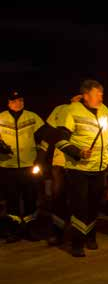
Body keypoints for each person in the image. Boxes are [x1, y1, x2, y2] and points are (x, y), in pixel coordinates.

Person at [51, 80, 108, 257]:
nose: (101, 97)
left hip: (99, 167)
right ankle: (76, 243)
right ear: (86, 96)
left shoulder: (104, 110)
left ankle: (90, 237)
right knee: (80, 205)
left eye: (102, 93)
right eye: (97, 93)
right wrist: (78, 152)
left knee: (94, 204)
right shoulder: (72, 111)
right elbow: (60, 140)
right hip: (78, 168)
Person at [0, 90, 46, 242]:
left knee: (30, 197)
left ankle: (31, 229)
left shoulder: (32, 117)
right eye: (14, 101)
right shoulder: (1, 118)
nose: (17, 103)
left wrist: (40, 157)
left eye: (20, 100)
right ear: (8, 103)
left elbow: (45, 137)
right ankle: (13, 230)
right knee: (11, 199)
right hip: (8, 166)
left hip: (29, 165)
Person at [44, 94, 82, 247]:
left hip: (80, 164)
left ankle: (78, 234)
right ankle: (57, 232)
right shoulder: (60, 110)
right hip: (59, 161)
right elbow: (49, 133)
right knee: (58, 197)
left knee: (78, 199)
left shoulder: (93, 112)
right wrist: (43, 155)